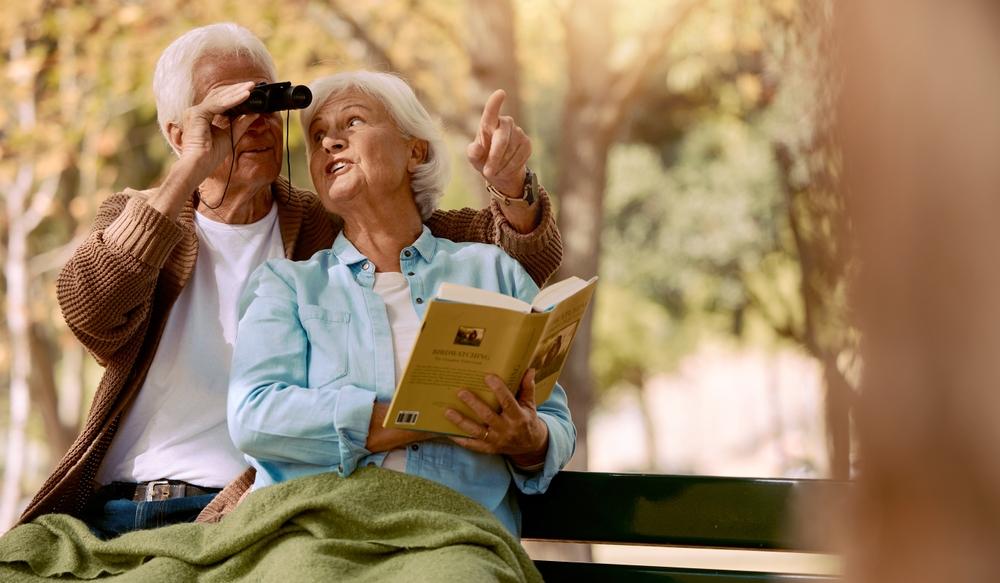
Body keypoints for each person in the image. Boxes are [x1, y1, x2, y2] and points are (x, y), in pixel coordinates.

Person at [20, 23, 562, 537]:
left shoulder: (326, 224)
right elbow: (90, 310)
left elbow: (493, 254)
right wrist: (189, 167)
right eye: (230, 108)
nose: (257, 120)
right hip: (119, 503)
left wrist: (513, 189)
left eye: (267, 102)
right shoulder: (141, 218)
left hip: (234, 510)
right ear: (176, 131)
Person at [226, 71, 576, 535]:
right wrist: (416, 419)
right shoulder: (287, 285)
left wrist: (529, 440)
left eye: (352, 122)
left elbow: (555, 421)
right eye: (317, 136)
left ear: (416, 150)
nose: (330, 142)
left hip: (456, 530)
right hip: (319, 528)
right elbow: (255, 416)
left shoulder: (491, 272)